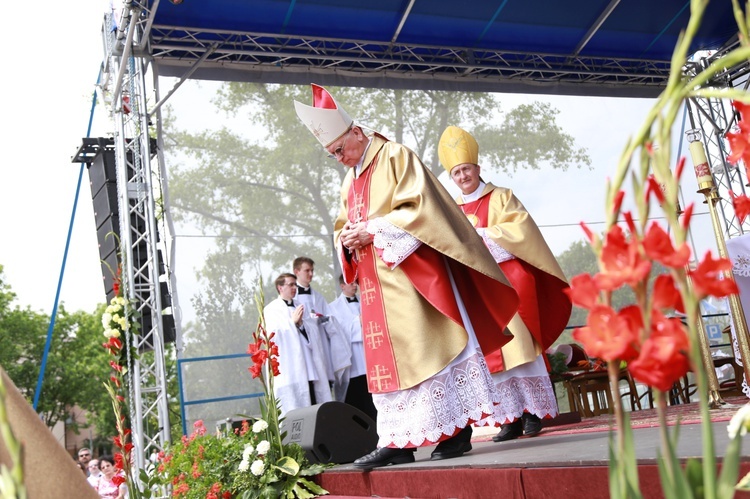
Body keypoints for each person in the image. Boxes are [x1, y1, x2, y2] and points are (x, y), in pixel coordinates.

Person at [294, 84, 519, 469]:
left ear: (356, 133)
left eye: (339, 149)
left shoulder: (395, 156)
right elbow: (342, 224)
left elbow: (423, 207)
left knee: (429, 345)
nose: (338, 159)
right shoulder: (350, 180)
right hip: (376, 287)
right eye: (331, 154)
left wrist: (376, 230)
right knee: (391, 363)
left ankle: (456, 431)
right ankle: (399, 439)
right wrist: (345, 238)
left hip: (414, 277)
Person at [438, 125, 572, 442]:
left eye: (466, 169)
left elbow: (521, 232)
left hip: (510, 286)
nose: (462, 176)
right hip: (479, 293)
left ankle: (533, 415)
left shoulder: (501, 197)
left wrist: (482, 236)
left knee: (519, 349)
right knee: (493, 358)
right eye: (456, 172)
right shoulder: (452, 210)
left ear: (477, 168)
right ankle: (509, 418)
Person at [264, 273, 333, 415]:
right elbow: (271, 337)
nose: (295, 287)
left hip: (308, 367)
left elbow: (313, 331)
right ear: (280, 287)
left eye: (295, 284)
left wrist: (302, 324)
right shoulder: (271, 309)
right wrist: (292, 323)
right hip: (290, 371)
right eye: (291, 284)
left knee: (314, 405)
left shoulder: (300, 306)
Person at [292, 256, 352, 398]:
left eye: (312, 270)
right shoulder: (292, 299)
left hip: (320, 348)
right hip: (303, 349)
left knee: (323, 388)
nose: (311, 274)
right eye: (307, 270)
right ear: (296, 272)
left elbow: (331, 321)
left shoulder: (319, 297)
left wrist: (325, 320)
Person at [327, 274, 377, 422]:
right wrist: (358, 322)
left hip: (370, 357)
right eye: (350, 283)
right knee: (356, 401)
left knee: (373, 402)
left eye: (356, 282)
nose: (355, 285)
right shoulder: (333, 307)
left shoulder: (367, 302)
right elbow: (338, 330)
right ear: (342, 286)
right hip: (353, 361)